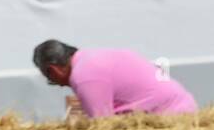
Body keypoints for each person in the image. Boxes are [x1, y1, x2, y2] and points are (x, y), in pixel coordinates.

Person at [32, 40, 199, 118]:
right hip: (183, 110)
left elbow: (103, 127)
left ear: (53, 70)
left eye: (50, 78)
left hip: (169, 119)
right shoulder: (93, 57)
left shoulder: (83, 76)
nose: (59, 86)